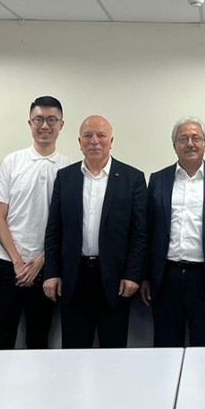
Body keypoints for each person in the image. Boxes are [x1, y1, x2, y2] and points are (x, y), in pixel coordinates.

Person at [43, 115, 146, 348]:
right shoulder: (65, 177)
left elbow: (139, 234)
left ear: (111, 141)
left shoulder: (132, 179)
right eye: (88, 136)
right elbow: (54, 230)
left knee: (113, 351)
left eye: (101, 135)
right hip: (74, 279)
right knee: (74, 351)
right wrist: (51, 272)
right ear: (79, 142)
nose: (94, 141)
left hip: (115, 280)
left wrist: (133, 274)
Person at [141, 116, 205, 347]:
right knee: (165, 348)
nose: (190, 143)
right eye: (183, 138)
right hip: (166, 278)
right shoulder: (158, 180)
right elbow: (147, 231)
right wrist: (144, 275)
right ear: (174, 145)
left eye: (196, 138)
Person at [0, 96, 71, 349]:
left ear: (61, 124)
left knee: (39, 340)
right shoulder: (11, 162)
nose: (45, 125)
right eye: (39, 119)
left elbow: (68, 225)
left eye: (51, 120)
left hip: (47, 267)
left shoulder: (69, 168)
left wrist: (40, 261)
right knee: (2, 339)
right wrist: (17, 262)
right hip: (7, 264)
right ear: (29, 123)